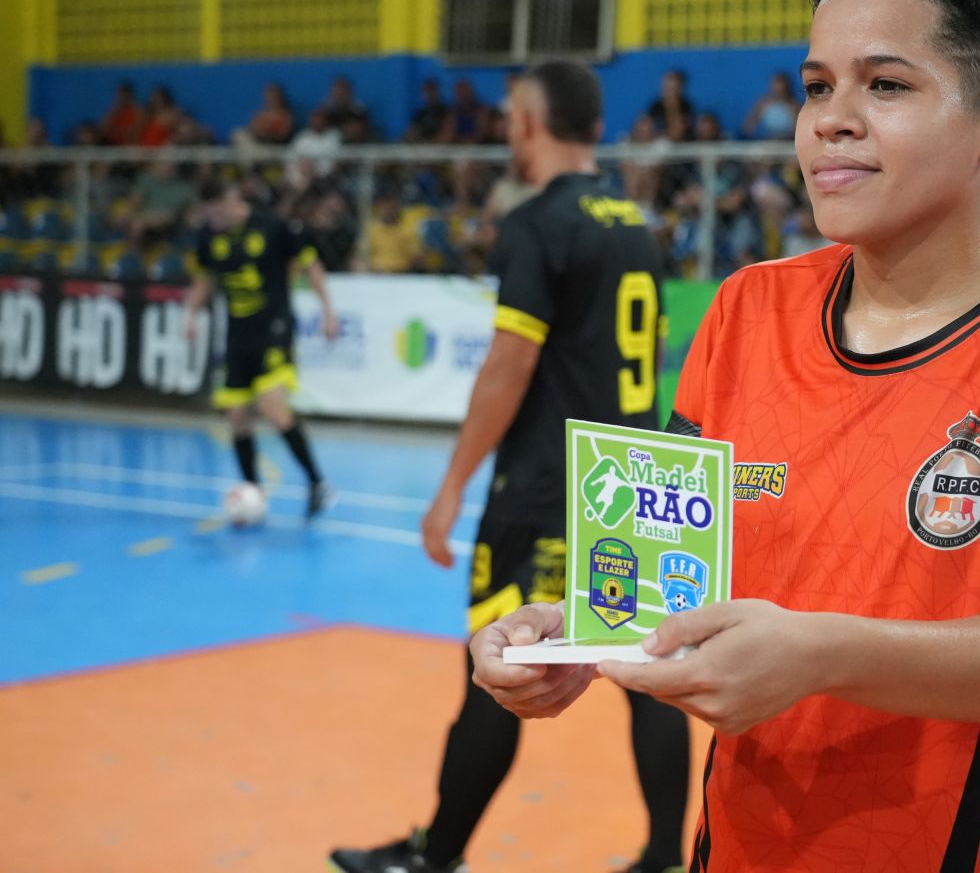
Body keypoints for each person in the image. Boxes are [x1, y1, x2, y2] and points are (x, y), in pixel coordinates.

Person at [469, 0, 980, 872]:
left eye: (885, 86)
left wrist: (819, 653)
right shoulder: (747, 310)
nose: (830, 121)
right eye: (817, 87)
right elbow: (654, 583)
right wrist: (572, 636)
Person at [330, 61, 689, 873]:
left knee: (497, 665)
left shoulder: (537, 221)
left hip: (546, 490)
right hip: (632, 478)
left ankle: (437, 857)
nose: (504, 128)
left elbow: (508, 363)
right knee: (649, 669)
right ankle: (667, 858)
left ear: (530, 121)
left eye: (509, 114)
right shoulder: (635, 223)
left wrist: (452, 486)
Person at [183, 182, 338, 518]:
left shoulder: (271, 226)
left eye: (217, 212)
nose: (212, 220)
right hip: (237, 335)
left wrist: (328, 310)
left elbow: (311, 266)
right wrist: (191, 315)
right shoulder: (209, 236)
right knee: (237, 417)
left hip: (274, 328)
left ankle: (318, 483)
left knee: (273, 407)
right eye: (208, 214)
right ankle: (253, 492)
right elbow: (204, 279)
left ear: (234, 203)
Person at [742, 71, 801, 140]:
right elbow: (748, 127)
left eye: (781, 88)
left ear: (787, 88)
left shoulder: (795, 106)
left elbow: (798, 130)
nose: (779, 91)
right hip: (767, 141)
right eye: (776, 88)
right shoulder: (763, 104)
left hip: (788, 142)